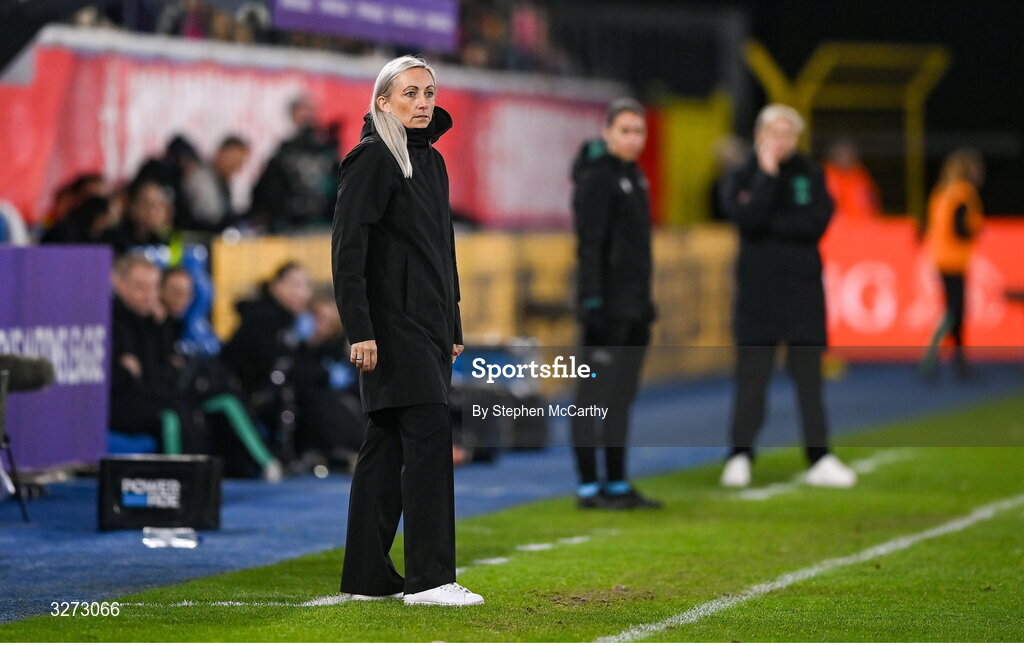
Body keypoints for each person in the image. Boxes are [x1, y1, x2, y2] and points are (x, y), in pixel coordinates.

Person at [331, 55, 482, 606]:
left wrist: (453, 323)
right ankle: (431, 579)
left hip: (428, 328)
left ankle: (368, 579)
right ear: (382, 103)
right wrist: (360, 329)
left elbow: (442, 252)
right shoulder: (371, 160)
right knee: (426, 444)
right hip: (391, 330)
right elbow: (348, 254)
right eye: (409, 94)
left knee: (386, 445)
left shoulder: (433, 163)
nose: (422, 103)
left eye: (428, 93)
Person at [718, 104, 857, 489]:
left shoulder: (810, 174)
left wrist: (769, 225)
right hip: (757, 297)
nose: (782, 141)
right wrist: (766, 177)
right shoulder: (742, 175)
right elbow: (746, 217)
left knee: (810, 381)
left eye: (789, 134)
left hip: (802, 294)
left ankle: (819, 456)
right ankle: (739, 454)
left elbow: (815, 223)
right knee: (751, 380)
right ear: (760, 135)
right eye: (775, 132)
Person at [570, 98, 660, 511]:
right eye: (624, 130)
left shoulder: (635, 176)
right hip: (606, 308)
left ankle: (618, 483)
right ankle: (590, 487)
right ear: (607, 132)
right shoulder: (597, 178)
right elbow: (590, 245)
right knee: (592, 397)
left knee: (622, 397)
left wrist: (644, 300)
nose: (632, 139)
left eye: (638, 131)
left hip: (633, 307)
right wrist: (592, 300)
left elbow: (636, 250)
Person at [159, 267, 284, 481]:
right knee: (177, 415)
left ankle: (266, 462)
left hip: (186, 395)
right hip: (164, 398)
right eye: (175, 291)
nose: (181, 299)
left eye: (186, 293)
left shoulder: (183, 325)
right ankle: (177, 479)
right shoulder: (155, 324)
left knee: (228, 401)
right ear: (160, 291)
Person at [109, 255, 207, 454]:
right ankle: (178, 477)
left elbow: (155, 369)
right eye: (140, 287)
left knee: (187, 406)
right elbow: (125, 378)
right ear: (119, 284)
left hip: (146, 395)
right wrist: (128, 371)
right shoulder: (110, 319)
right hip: (116, 403)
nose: (148, 295)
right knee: (171, 414)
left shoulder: (152, 322)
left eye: (153, 288)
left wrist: (160, 326)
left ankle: (199, 476)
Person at [919, 149, 985, 380]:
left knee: (953, 312)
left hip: (940, 258)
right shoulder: (963, 193)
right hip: (954, 260)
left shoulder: (942, 191)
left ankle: (956, 362)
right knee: (955, 312)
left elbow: (926, 225)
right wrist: (976, 229)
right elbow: (960, 229)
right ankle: (933, 358)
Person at [823, 138, 882, 220]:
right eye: (841, 154)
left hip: (864, 227)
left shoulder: (860, 176)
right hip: (837, 229)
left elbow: (873, 203)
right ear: (832, 155)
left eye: (848, 153)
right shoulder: (825, 177)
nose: (845, 157)